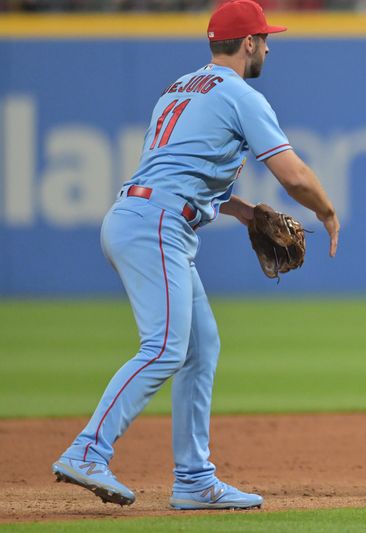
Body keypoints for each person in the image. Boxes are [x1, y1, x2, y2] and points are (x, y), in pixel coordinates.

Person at [52, 0, 340, 510]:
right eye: (265, 38)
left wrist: (246, 212)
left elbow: (177, 170)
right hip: (156, 225)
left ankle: (193, 480)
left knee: (199, 347)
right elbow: (293, 175)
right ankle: (88, 450)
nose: (269, 46)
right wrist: (328, 211)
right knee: (164, 347)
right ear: (248, 43)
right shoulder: (240, 93)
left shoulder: (179, 88)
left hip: (144, 216)